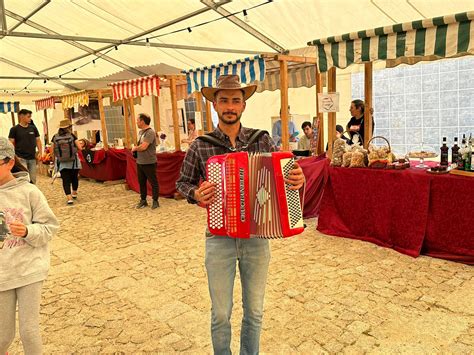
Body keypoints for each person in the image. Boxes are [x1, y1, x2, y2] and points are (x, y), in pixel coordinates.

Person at [176, 75, 305, 354]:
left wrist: (296, 178)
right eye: (224, 100)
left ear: (244, 105)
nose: (230, 106)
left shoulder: (262, 140)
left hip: (256, 238)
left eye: (236, 100)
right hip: (218, 238)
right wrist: (195, 194)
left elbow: (286, 177)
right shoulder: (201, 145)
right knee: (221, 314)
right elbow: (182, 183)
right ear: (215, 105)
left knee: (255, 311)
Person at [0, 137, 59, 355]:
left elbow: (50, 227)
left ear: (8, 162)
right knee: (3, 336)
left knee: (29, 331)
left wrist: (27, 231)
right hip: (2, 273)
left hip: (29, 270)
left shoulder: (30, 192)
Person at [51, 120, 83, 205]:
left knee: (65, 180)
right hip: (73, 162)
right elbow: (79, 147)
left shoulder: (55, 137)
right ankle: (74, 193)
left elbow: (52, 150)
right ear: (68, 128)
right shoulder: (72, 136)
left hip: (62, 162)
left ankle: (69, 198)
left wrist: (54, 160)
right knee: (74, 178)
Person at [132, 113, 159, 209]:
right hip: (140, 161)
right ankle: (143, 200)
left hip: (149, 162)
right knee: (141, 182)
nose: (136, 122)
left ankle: (155, 201)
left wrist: (135, 149)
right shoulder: (140, 132)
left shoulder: (150, 132)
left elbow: (144, 147)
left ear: (142, 121)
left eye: (138, 120)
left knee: (153, 182)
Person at [8, 109, 42, 184]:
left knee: (33, 179)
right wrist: (14, 156)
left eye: (30, 117)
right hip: (21, 158)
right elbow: (10, 143)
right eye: (28, 117)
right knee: (24, 179)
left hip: (32, 158)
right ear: (21, 116)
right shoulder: (14, 129)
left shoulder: (33, 128)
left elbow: (38, 140)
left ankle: (32, 194)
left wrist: (40, 152)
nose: (30, 118)